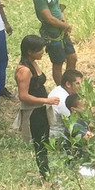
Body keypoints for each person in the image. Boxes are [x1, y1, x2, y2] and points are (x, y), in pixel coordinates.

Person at [13, 35, 60, 181]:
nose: (42, 52)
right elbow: (23, 96)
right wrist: (46, 100)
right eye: (39, 50)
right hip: (34, 112)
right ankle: (45, 176)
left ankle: (46, 172)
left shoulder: (33, 63)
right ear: (29, 51)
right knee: (40, 144)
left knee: (44, 142)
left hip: (41, 109)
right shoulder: (25, 71)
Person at [32, 0, 76, 86]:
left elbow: (58, 7)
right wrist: (65, 26)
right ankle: (62, 88)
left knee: (72, 57)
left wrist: (65, 24)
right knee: (58, 63)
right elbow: (49, 19)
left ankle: (68, 83)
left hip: (61, 28)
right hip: (52, 32)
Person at [48, 68, 84, 140]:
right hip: (59, 136)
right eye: (78, 83)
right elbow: (73, 123)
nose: (82, 86)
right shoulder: (63, 100)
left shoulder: (60, 89)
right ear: (68, 84)